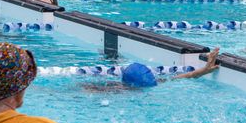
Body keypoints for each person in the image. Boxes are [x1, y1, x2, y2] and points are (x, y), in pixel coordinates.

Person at [81, 47, 220, 92]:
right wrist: (204, 70)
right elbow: (186, 76)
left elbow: (186, 75)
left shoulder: (114, 89)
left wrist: (205, 70)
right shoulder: (116, 89)